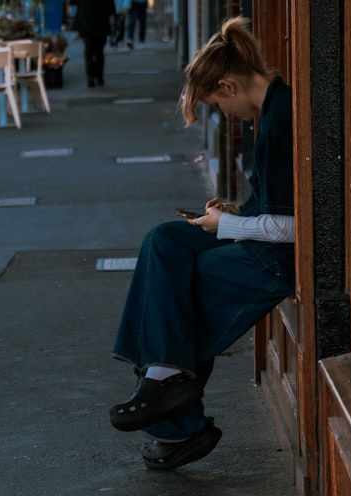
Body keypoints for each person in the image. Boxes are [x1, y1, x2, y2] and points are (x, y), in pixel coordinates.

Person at [108, 17, 295, 470]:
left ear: (228, 86)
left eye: (216, 104)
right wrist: (234, 215)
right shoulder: (272, 110)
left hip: (275, 260)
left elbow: (294, 228)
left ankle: (176, 420)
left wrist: (226, 227)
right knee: (164, 240)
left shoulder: (280, 121)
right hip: (262, 241)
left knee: (180, 290)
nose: (224, 115)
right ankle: (163, 377)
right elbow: (275, 207)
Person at [70, 0, 116, 88]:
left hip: (85, 21)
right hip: (101, 22)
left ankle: (90, 76)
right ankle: (99, 76)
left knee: (88, 50)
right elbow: (111, 9)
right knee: (99, 51)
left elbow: (72, 2)